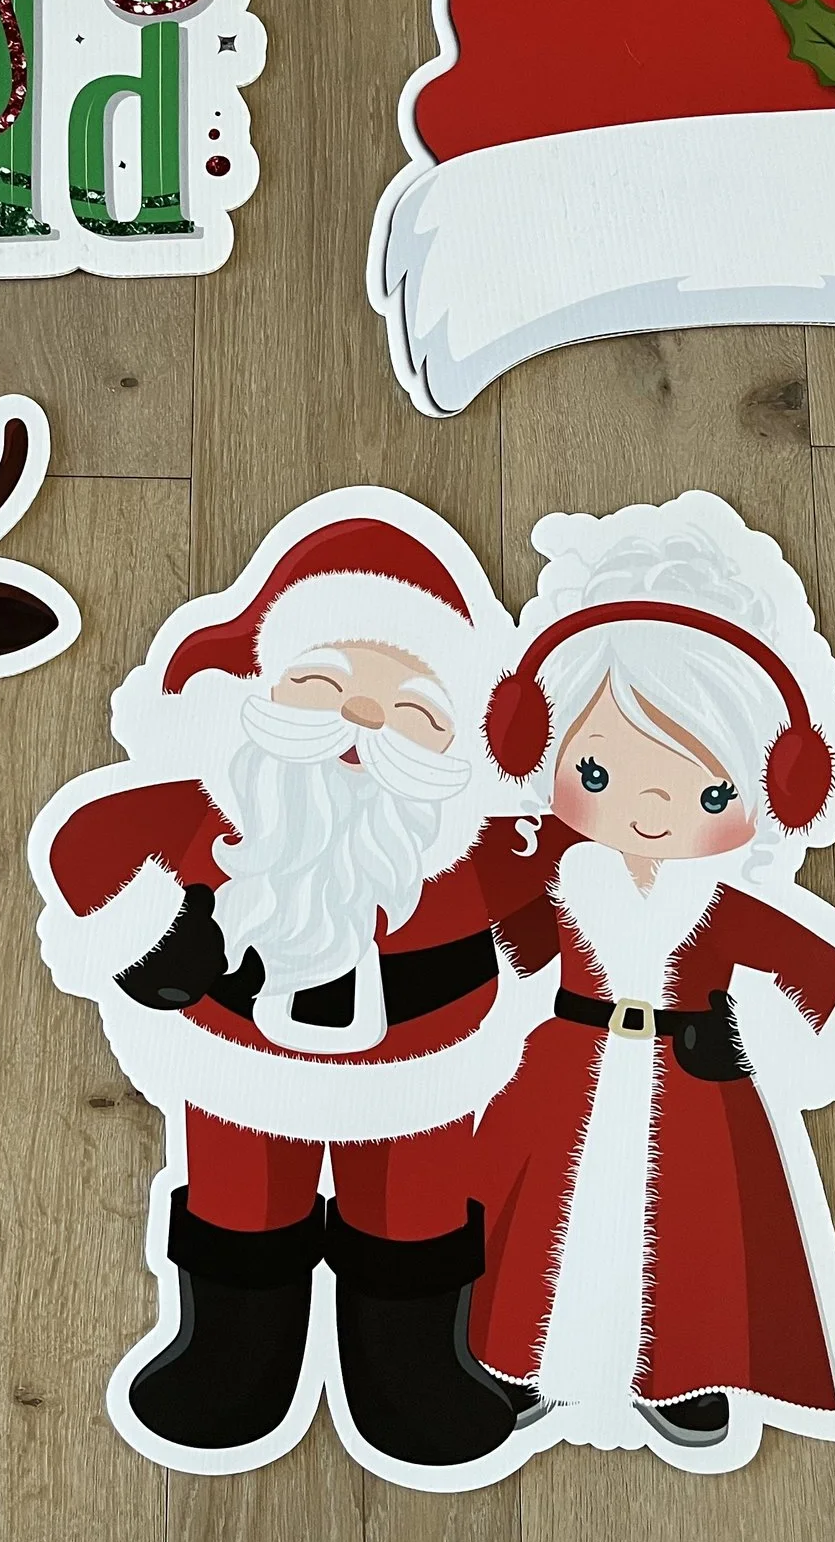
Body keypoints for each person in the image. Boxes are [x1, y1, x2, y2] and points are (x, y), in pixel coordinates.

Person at [30, 492, 556, 1472]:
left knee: (414, 1215)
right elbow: (85, 843)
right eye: (325, 685)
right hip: (241, 1060)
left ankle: (412, 1378)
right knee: (240, 1202)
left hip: (420, 1076)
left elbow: (550, 894)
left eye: (412, 712)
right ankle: (231, 1367)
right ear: (261, 690)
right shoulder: (214, 807)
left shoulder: (470, 847)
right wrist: (149, 932)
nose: (362, 721)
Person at [470, 493, 835, 1465]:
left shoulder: (720, 902)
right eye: (600, 774)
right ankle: (517, 1357)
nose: (650, 812)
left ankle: (680, 1371)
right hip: (566, 1057)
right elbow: (514, 946)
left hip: (692, 1077)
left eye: (703, 790)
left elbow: (818, 967)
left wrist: (779, 1039)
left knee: (693, 1226)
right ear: (543, 750)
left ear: (767, 790)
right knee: (535, 1215)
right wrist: (497, 883)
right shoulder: (562, 875)